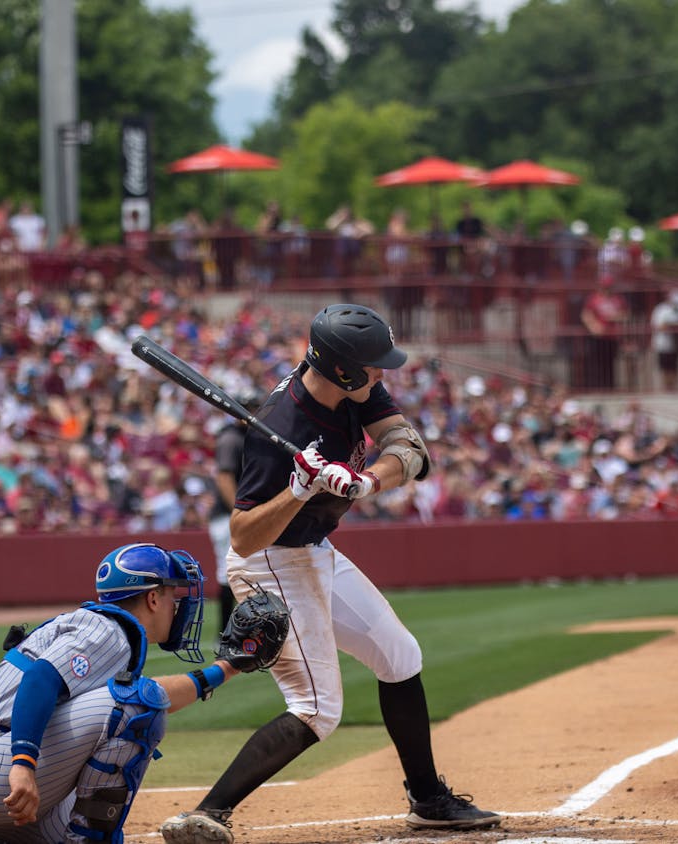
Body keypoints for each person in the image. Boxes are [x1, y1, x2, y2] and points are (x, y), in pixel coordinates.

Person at [160, 304, 500, 844]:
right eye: (374, 367)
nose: (382, 374)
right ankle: (206, 813)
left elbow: (408, 448)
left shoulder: (356, 389)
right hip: (270, 561)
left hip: (313, 550)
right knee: (317, 709)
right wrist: (299, 491)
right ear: (342, 369)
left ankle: (428, 799)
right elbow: (245, 535)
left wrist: (364, 483)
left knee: (400, 655)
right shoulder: (280, 429)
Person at [0, 543, 282, 844]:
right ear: (151, 597)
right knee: (137, 707)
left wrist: (228, 668)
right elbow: (41, 682)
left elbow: (153, 695)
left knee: (137, 704)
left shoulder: (100, 633)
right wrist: (23, 763)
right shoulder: (107, 631)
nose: (178, 604)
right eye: (172, 594)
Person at [208, 393, 262, 631]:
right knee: (229, 572)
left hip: (242, 515)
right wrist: (239, 513)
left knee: (249, 572)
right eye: (248, 407)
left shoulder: (249, 435)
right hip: (229, 516)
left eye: (255, 406)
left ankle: (245, 627)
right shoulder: (231, 437)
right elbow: (224, 478)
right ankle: (225, 631)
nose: (251, 411)